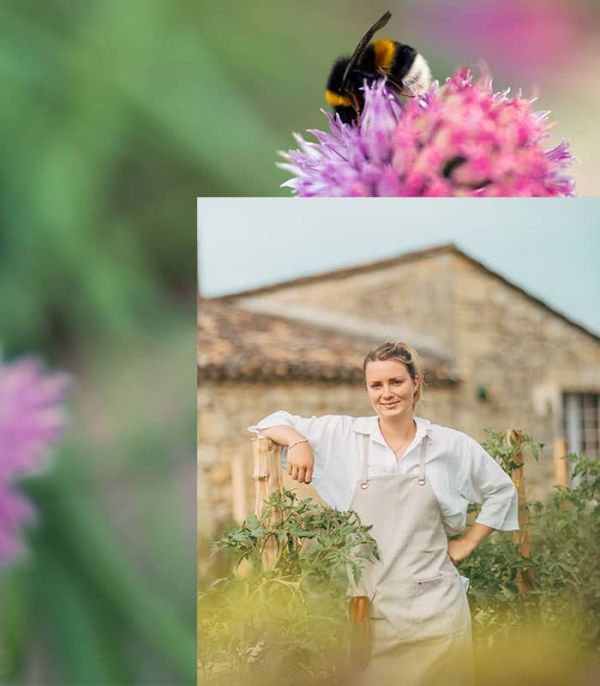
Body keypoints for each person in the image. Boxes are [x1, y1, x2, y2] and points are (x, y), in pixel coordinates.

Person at [249, 340, 519, 686]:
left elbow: (501, 491)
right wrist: (298, 442)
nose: (386, 393)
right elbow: (269, 423)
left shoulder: (449, 445)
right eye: (376, 385)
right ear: (367, 389)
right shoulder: (346, 437)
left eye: (396, 382)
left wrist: (465, 544)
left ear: (415, 383)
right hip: (373, 616)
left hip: (438, 614)